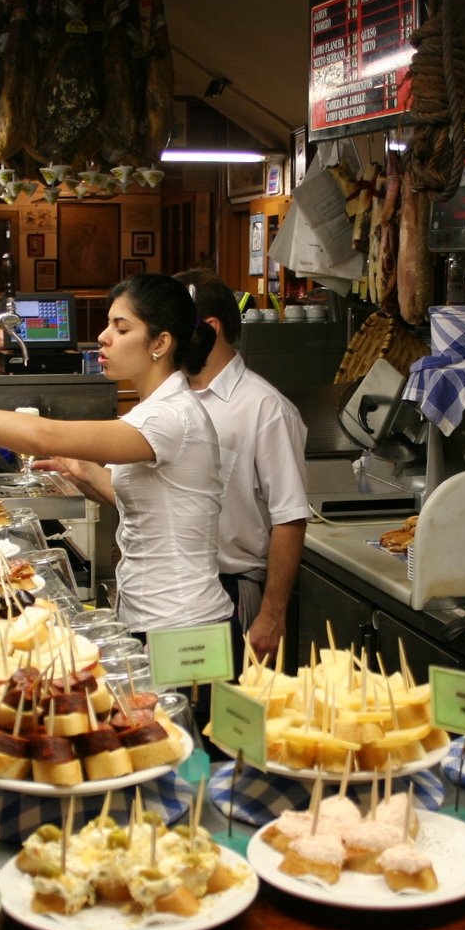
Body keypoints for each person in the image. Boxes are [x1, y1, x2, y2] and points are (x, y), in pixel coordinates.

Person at [0, 273, 232, 635]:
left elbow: (44, 435)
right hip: (152, 613)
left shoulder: (172, 415)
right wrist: (83, 470)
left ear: (160, 342)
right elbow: (154, 503)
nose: (103, 337)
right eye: (108, 324)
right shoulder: (155, 408)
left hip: (184, 624)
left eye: (121, 328)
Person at [176, 270, 309, 665]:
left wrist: (272, 614)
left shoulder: (264, 408)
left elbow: (290, 517)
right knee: (172, 715)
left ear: (209, 328)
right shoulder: (174, 397)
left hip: (229, 591)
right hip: (174, 590)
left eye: (170, 327)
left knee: (222, 717)